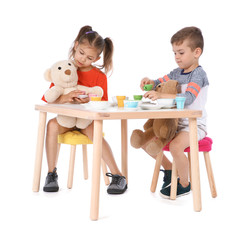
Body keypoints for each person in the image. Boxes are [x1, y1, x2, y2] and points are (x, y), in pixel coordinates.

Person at [42, 25, 127, 194]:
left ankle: (118, 176)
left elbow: (102, 103)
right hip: (66, 119)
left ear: (96, 59)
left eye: (89, 57)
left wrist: (90, 100)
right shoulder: (65, 69)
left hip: (86, 121)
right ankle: (51, 173)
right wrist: (65, 98)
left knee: (94, 130)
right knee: (51, 125)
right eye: (81, 53)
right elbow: (48, 98)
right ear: (75, 46)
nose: (82, 59)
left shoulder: (99, 77)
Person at [140, 26, 208, 198]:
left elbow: (189, 98)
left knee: (177, 147)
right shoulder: (176, 73)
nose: (177, 57)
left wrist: (161, 94)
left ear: (196, 52)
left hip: (193, 126)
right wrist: (149, 82)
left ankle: (185, 183)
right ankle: (169, 169)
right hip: (175, 124)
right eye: (174, 53)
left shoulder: (198, 74)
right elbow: (158, 83)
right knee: (145, 142)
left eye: (181, 52)